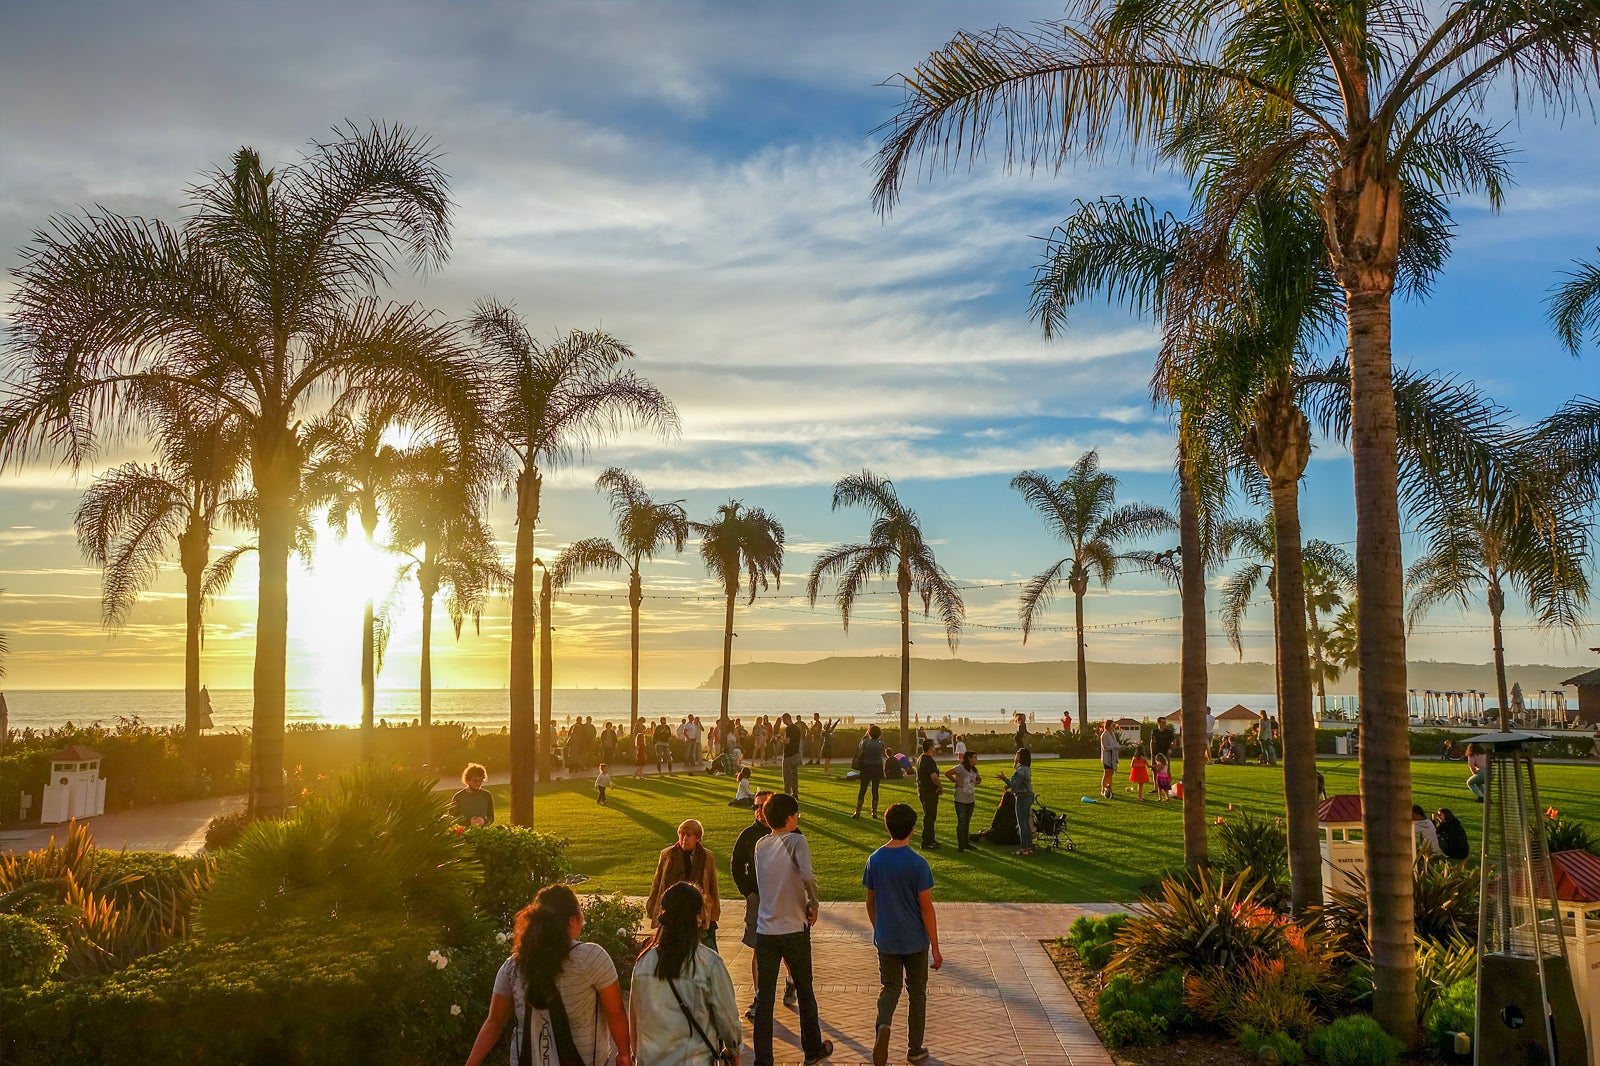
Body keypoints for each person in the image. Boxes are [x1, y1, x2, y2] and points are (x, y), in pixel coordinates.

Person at [464, 883, 632, 1066]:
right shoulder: (591, 958)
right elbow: (615, 1012)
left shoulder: (514, 965)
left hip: (526, 1060)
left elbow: (494, 1021)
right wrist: (624, 1053)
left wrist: (471, 1063)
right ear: (572, 920)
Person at [752, 792, 832, 1066]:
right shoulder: (798, 841)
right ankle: (812, 1049)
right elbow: (807, 875)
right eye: (796, 814)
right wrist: (813, 902)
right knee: (805, 990)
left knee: (764, 998)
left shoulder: (760, 844)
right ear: (789, 818)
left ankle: (763, 1059)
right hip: (793, 928)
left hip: (765, 929)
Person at [863, 803, 943, 1066]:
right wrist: (936, 946)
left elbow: (870, 902)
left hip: (887, 939)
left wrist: (879, 928)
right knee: (917, 992)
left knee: (890, 987)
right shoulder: (918, 863)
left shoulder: (874, 859)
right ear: (912, 828)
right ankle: (914, 1048)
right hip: (915, 941)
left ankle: (883, 1025)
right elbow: (927, 909)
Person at [628, 881, 741, 1066]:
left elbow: (635, 1020)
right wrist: (733, 1050)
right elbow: (728, 1022)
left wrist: (636, 1056)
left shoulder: (644, 962)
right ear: (698, 917)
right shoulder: (709, 964)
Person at [730, 791, 797, 1020]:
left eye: (763, 806)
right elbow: (736, 865)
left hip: (783, 901)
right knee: (758, 947)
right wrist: (748, 892)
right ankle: (760, 997)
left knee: (787, 947)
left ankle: (791, 980)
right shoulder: (749, 836)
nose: (758, 810)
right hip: (758, 900)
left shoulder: (791, 833)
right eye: (755, 807)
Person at [645, 819, 722, 950]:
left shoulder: (706, 856)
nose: (684, 839)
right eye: (681, 834)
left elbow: (712, 885)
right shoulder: (668, 854)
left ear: (698, 838)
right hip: (673, 908)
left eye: (689, 835)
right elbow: (658, 883)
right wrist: (652, 907)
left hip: (696, 910)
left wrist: (713, 913)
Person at [1000, 748, 1036, 856]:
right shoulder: (1026, 768)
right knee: (1026, 823)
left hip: (1022, 797)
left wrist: (1004, 779)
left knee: (1022, 824)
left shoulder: (1020, 770)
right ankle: (1029, 846)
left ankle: (1024, 848)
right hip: (1028, 796)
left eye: (1017, 754)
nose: (1015, 756)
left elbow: (1015, 785)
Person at [944, 749, 982, 851]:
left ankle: (966, 843)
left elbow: (979, 779)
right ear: (969, 758)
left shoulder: (974, 769)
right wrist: (957, 782)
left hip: (970, 798)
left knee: (967, 821)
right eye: (974, 757)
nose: (976, 759)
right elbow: (947, 773)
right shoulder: (960, 768)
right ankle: (961, 845)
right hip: (961, 798)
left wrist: (974, 782)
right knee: (962, 822)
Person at [915, 739, 943, 849]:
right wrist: (940, 787)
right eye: (934, 746)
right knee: (930, 816)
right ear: (930, 747)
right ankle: (927, 841)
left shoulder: (920, 758)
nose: (935, 748)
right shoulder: (928, 760)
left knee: (930, 816)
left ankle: (930, 838)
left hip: (923, 791)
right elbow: (934, 777)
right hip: (929, 792)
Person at [854, 724, 887, 818]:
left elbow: (860, 744)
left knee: (863, 789)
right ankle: (874, 812)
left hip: (866, 767)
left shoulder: (866, 743)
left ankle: (858, 811)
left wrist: (866, 733)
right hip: (877, 767)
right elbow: (879, 741)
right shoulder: (881, 744)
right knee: (875, 789)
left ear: (869, 733)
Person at [452, 763, 495, 827]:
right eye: (475, 780)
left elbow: (491, 817)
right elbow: (452, 818)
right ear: (467, 780)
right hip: (464, 833)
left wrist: (484, 821)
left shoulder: (487, 795)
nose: (478, 783)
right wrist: (468, 823)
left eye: (480, 780)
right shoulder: (458, 797)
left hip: (483, 832)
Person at [781, 713, 804, 798]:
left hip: (789, 755)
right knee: (795, 775)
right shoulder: (797, 728)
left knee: (787, 776)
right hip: (796, 754)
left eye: (783, 720)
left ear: (787, 719)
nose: (783, 722)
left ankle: (787, 795)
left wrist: (780, 739)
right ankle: (795, 793)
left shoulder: (789, 729)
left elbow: (787, 741)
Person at [1099, 721, 1121, 800]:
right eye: (1113, 725)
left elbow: (1115, 744)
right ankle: (1103, 789)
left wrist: (1119, 747)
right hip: (1107, 757)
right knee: (1106, 773)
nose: (1114, 726)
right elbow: (1105, 747)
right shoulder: (1104, 735)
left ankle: (1109, 788)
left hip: (1113, 757)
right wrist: (1115, 747)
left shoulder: (1112, 734)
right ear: (1108, 726)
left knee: (1111, 773)